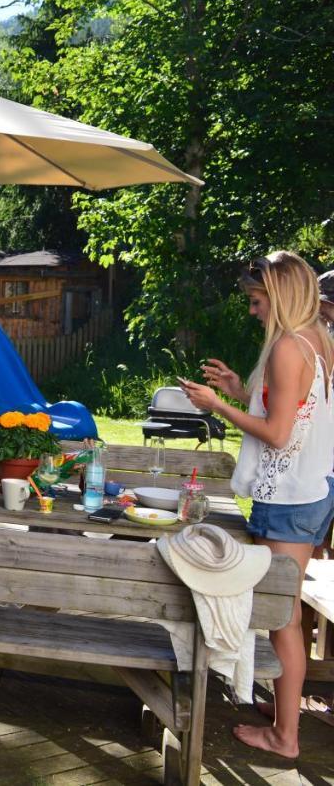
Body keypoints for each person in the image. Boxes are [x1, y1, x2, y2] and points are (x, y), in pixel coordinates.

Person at [182, 251, 334, 759]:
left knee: (282, 619)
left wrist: (218, 406)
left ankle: (286, 737)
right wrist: (239, 389)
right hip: (308, 491)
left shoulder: (288, 347)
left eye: (255, 300)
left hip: (290, 499)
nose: (251, 310)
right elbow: (293, 412)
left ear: (281, 295)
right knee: (283, 614)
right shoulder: (317, 339)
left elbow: (277, 432)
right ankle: (284, 707)